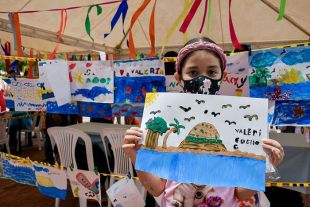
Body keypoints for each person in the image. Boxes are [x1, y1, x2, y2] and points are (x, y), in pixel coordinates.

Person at [123, 37, 285, 207]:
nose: (204, 80)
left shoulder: (237, 121)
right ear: (179, 77)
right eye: (193, 72)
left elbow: (241, 194)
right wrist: (136, 156)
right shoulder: (168, 117)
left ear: (223, 76)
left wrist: (266, 167)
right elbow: (156, 189)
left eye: (212, 72)